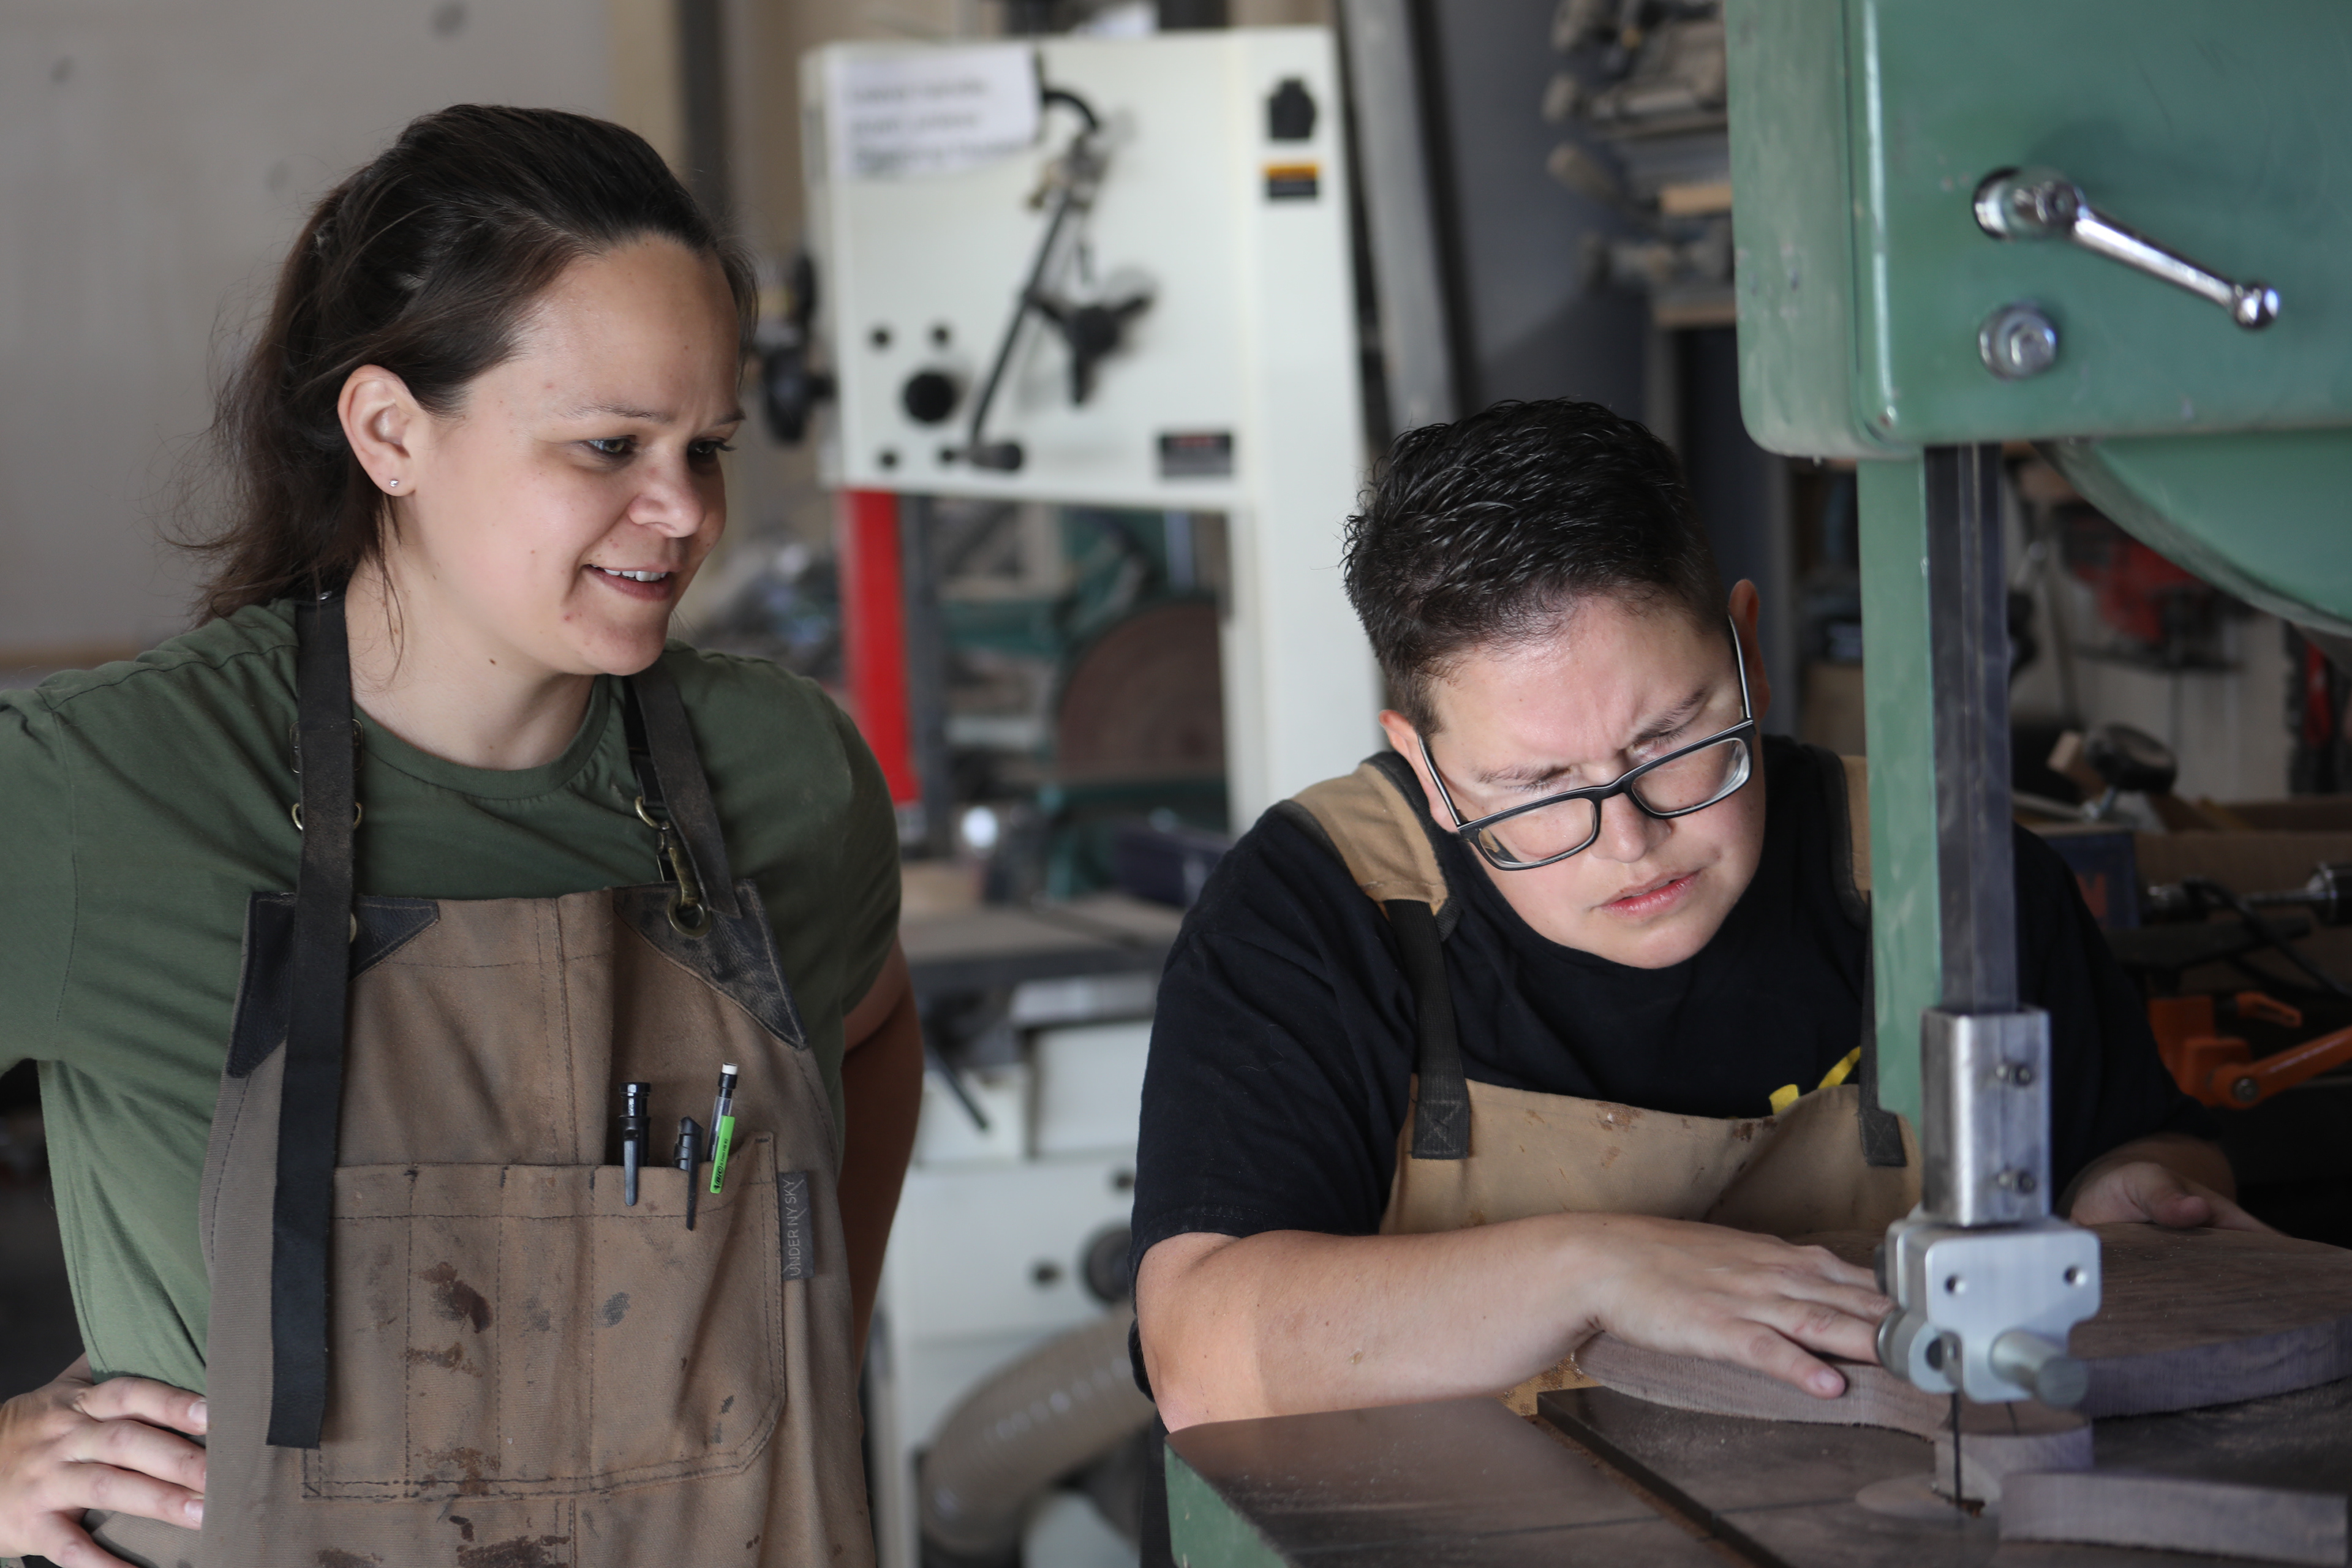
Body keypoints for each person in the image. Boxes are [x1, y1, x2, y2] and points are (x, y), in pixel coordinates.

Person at [0, 106, 919, 1568]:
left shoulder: (782, 772)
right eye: (609, 444)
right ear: (388, 432)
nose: (681, 512)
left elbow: (869, 1025)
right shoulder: (100, 796)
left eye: (708, 447)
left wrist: (803, 1347)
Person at [1130, 399, 2259, 1448]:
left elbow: (2145, 1146)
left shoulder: (1934, 866)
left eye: (1673, 745)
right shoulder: (1318, 914)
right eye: (1537, 790)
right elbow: (1201, 1354)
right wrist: (1591, 1270)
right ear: (1425, 766)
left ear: (1748, 653)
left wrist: (2126, 1200)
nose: (1630, 838)